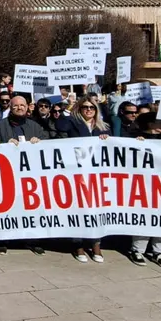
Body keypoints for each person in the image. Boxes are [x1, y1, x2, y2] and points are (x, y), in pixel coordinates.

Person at [0, 96, 48, 255]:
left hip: (30, 177)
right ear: (11, 107)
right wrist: (1, 145)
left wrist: (39, 141)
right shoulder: (0, 126)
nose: (19, 108)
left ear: (27, 107)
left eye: (22, 105)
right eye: (16, 106)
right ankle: (3, 240)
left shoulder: (35, 126)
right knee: (6, 209)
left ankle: (33, 240)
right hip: (7, 175)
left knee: (32, 208)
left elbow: (47, 144)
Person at [60, 99, 110, 263]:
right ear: (79, 109)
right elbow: (60, 126)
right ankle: (78, 244)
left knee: (96, 209)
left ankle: (96, 244)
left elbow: (113, 148)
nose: (89, 110)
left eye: (92, 107)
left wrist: (106, 140)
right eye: (85, 107)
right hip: (77, 173)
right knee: (78, 209)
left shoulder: (104, 127)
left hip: (96, 176)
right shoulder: (72, 122)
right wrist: (68, 108)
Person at [128, 112, 161, 269]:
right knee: (143, 217)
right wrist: (136, 144)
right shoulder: (135, 137)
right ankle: (137, 250)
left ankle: (158, 252)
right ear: (151, 124)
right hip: (143, 184)